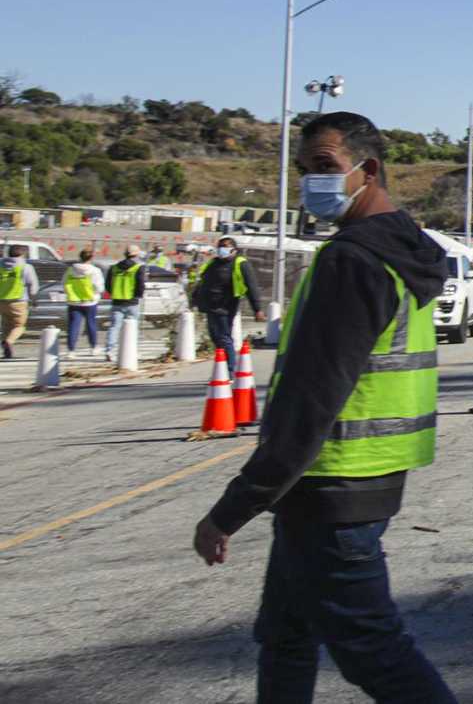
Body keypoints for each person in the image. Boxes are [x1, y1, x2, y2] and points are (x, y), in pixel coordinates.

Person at [192, 110, 455, 704]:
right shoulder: (404, 248)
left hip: (332, 488)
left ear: (370, 170)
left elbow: (310, 402)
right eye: (305, 169)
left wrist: (231, 510)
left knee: (375, 653)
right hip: (357, 481)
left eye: (326, 167)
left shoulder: (352, 261)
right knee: (286, 634)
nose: (313, 181)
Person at [192, 236, 264, 357]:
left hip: (226, 306)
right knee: (215, 337)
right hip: (211, 306)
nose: (221, 249)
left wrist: (257, 309)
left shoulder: (240, 263)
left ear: (234, 249)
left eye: (225, 247)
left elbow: (252, 287)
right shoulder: (213, 263)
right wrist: (195, 298)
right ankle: (222, 367)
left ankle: (230, 369)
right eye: (220, 247)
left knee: (224, 337)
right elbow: (203, 282)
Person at [63, 247, 105, 354]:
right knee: (91, 324)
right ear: (91, 258)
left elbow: (64, 283)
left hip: (74, 301)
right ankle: (93, 347)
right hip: (90, 301)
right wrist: (98, 293)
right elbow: (99, 287)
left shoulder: (71, 270)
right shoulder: (95, 271)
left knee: (74, 325)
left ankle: (71, 350)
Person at [106, 244, 148, 348]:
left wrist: (114, 293)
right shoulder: (138, 268)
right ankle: (131, 350)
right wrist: (139, 295)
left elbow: (107, 284)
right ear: (136, 255)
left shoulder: (114, 268)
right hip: (132, 302)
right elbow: (140, 283)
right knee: (133, 327)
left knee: (114, 327)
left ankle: (110, 349)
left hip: (117, 301)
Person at [1, 244, 37, 360]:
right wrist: (33, 298)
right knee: (19, 326)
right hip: (18, 301)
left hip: (2, 301)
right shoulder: (26, 267)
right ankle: (8, 342)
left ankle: (7, 350)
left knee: (6, 325)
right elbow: (33, 285)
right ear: (22, 254)